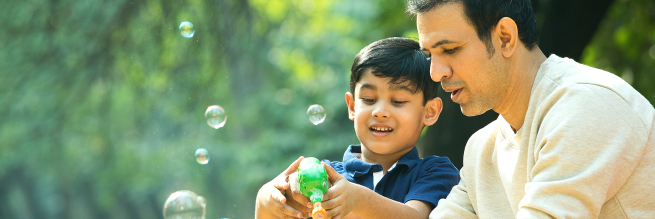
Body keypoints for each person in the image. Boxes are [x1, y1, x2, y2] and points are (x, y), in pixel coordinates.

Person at [407, 0, 655, 218]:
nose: (436, 73)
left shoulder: (586, 105)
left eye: (450, 50)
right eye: (429, 55)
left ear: (505, 37)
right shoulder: (481, 149)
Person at [255, 37, 460, 219]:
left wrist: (358, 200)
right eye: (369, 99)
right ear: (352, 106)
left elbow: (416, 216)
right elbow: (280, 207)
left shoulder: (435, 172)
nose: (380, 111)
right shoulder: (326, 176)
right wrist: (266, 201)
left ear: (430, 111)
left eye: (397, 101)